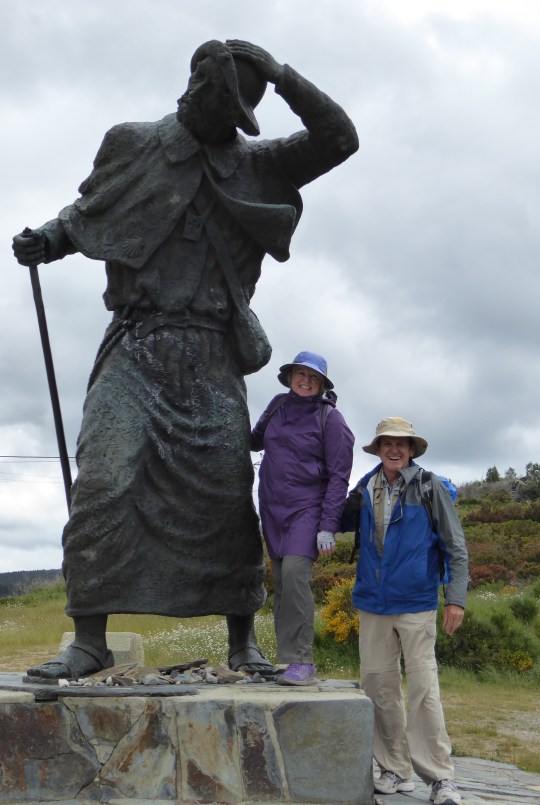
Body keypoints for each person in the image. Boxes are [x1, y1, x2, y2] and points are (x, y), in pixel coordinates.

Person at [11, 40, 358, 680]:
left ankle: (241, 640)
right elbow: (90, 212)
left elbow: (339, 138)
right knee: (105, 481)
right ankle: (89, 635)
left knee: (225, 494)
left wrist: (280, 75)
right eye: (214, 99)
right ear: (192, 85)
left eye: (234, 109)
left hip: (210, 354)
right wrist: (51, 239)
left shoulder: (259, 164)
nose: (220, 116)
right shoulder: (133, 143)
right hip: (136, 345)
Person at [341, 417, 468, 804]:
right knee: (378, 688)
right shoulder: (364, 488)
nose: (394, 449)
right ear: (378, 449)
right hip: (373, 603)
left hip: (416, 603)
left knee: (423, 691)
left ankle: (440, 778)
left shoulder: (429, 488)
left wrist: (456, 598)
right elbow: (332, 514)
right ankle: (394, 769)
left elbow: (455, 545)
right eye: (386, 443)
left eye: (402, 443)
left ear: (411, 450)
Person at [250, 351, 354, 685]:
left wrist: (328, 526)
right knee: (281, 584)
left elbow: (339, 476)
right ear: (290, 376)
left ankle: (303, 662)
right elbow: (254, 440)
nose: (305, 381)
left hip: (307, 509)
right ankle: (286, 661)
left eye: (313, 377)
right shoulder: (278, 404)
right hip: (272, 507)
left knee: (295, 576)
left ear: (322, 383)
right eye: (300, 374)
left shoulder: (331, 420)